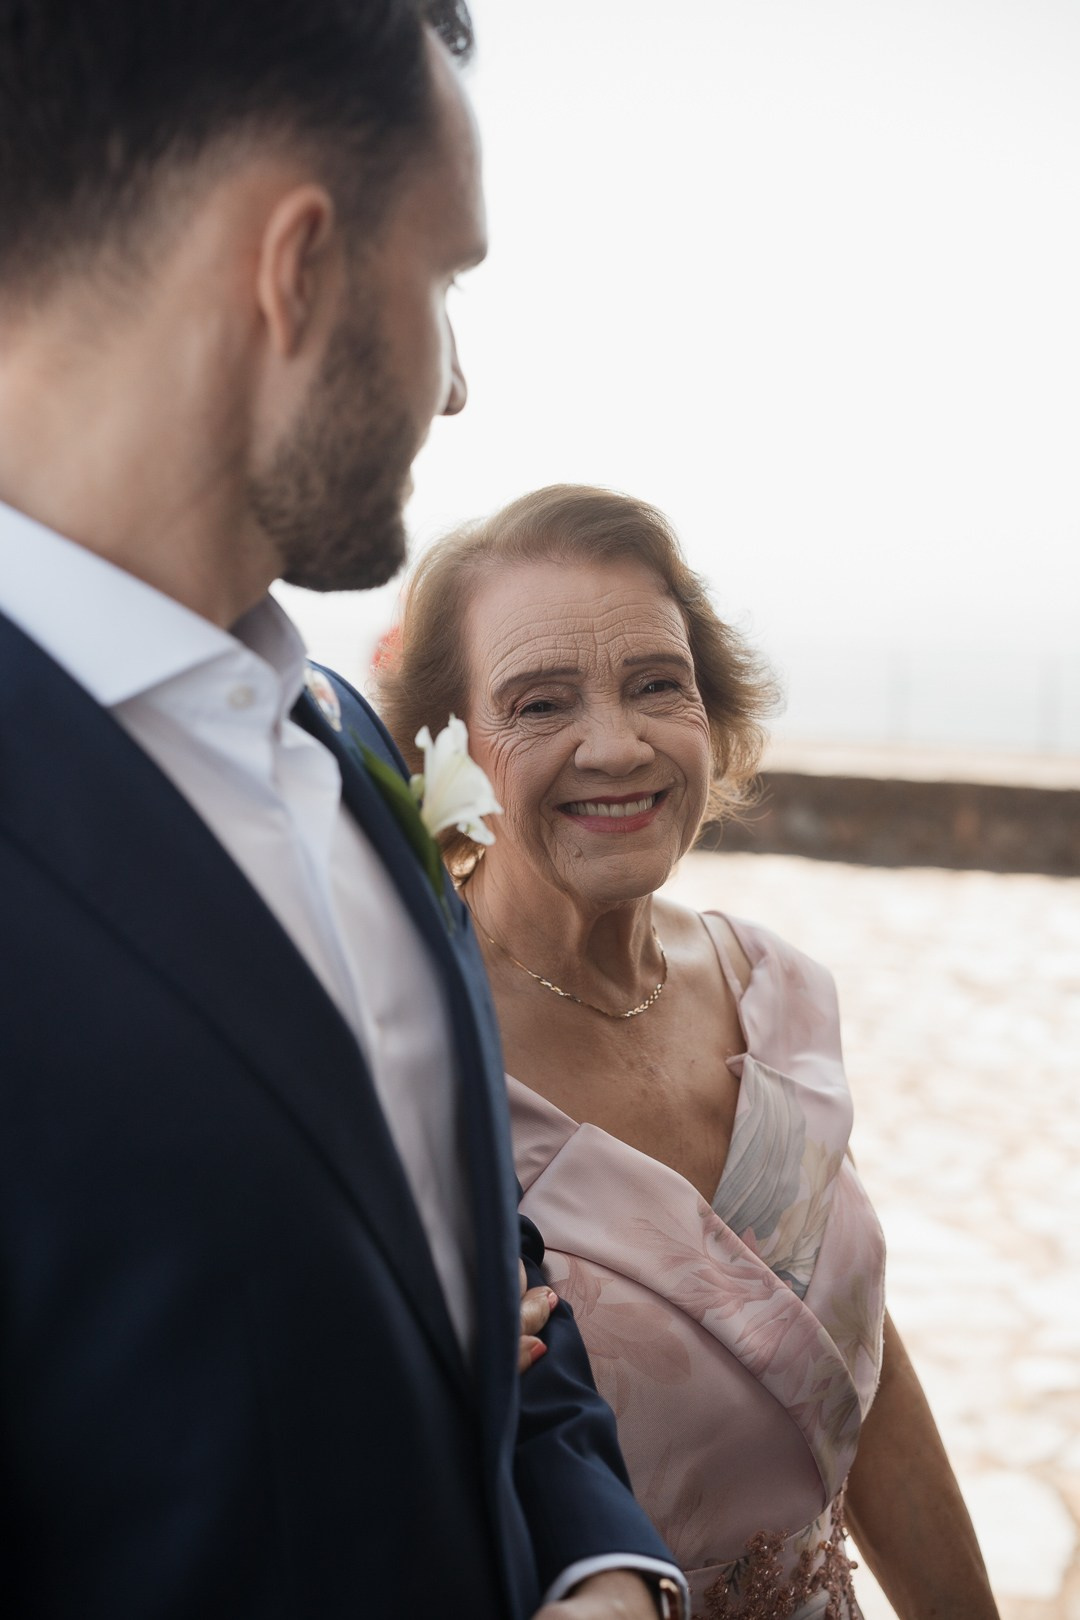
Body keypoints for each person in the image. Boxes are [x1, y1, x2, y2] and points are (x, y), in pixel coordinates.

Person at [0, 9, 688, 1618]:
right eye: (446, 282)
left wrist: (594, 1551)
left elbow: (467, 1296)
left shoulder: (349, 745)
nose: (458, 386)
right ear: (294, 267)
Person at [379, 484, 1001, 1620]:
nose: (616, 744)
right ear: (450, 749)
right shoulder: (406, 1060)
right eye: (540, 701)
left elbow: (848, 1364)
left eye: (657, 684)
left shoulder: (778, 992)